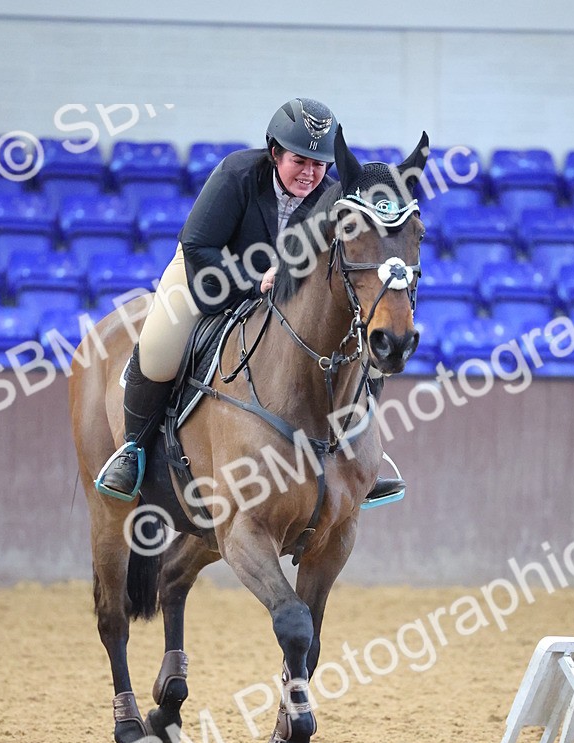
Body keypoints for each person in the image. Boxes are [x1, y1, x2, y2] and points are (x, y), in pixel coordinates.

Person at [95, 96, 404, 507]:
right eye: (299, 161)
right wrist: (253, 280)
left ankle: (358, 459)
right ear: (275, 152)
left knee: (361, 345)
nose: (310, 173)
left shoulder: (330, 196)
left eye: (319, 164)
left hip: (282, 294)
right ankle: (132, 451)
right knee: (159, 346)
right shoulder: (237, 174)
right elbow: (199, 246)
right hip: (209, 273)